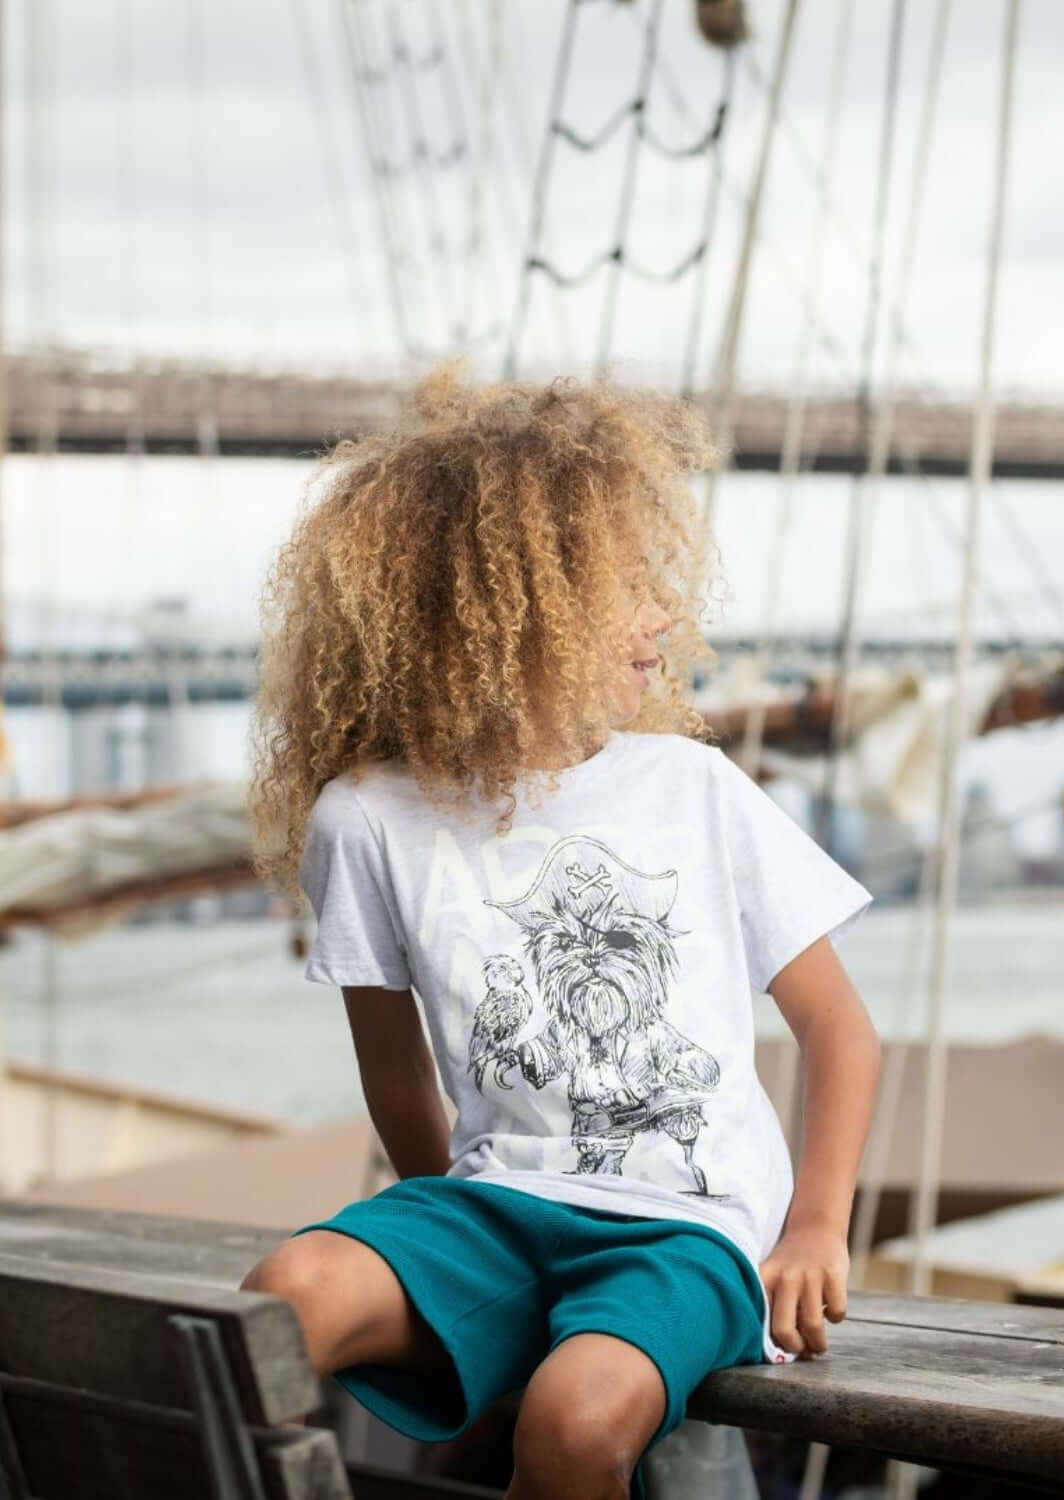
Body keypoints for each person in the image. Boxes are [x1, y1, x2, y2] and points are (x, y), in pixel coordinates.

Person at [241, 365, 881, 1500]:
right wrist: (457, 1261)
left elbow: (839, 1030)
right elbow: (396, 1075)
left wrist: (815, 1229)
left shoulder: (693, 786)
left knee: (575, 1419)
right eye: (626, 587)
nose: (663, 616)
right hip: (493, 1209)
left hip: (686, 1231)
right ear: (510, 610)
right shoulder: (365, 818)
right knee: (280, 1302)